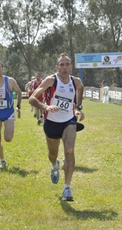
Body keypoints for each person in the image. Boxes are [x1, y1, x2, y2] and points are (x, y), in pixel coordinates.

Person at [28, 53, 85, 201]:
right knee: (52, 154)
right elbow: (32, 98)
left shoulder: (76, 81)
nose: (64, 67)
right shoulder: (51, 80)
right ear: (57, 67)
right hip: (52, 122)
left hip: (69, 121)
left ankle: (67, 188)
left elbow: (81, 88)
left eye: (67, 64)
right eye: (62, 65)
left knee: (69, 151)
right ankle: (55, 165)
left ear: (71, 67)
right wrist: (45, 106)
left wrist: (78, 107)